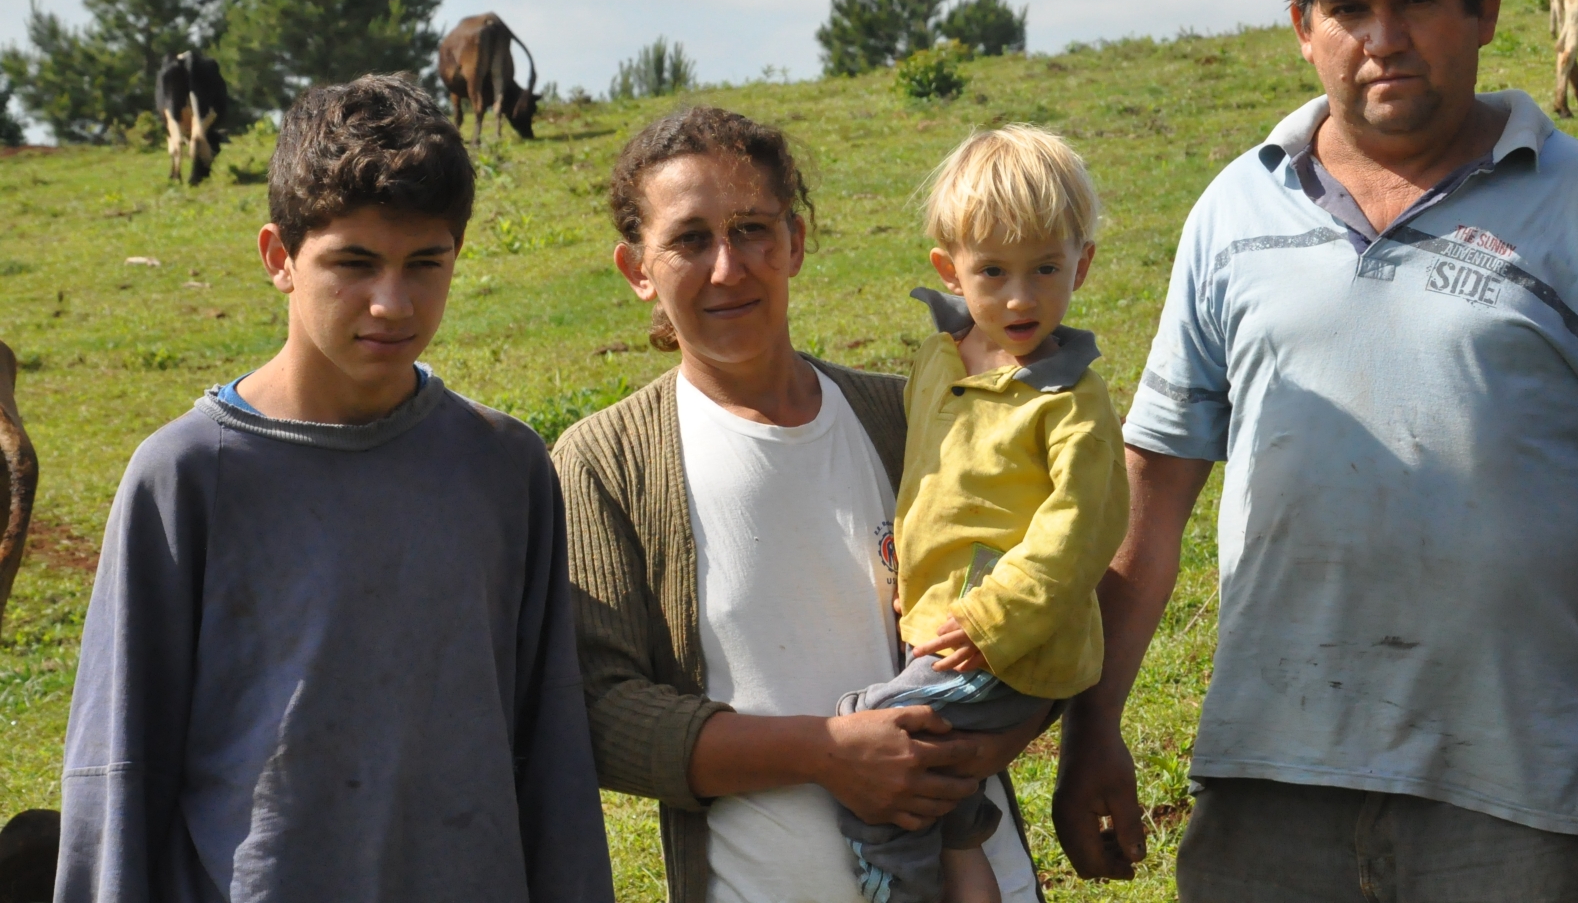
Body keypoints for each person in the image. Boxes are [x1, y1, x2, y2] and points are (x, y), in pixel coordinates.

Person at [1054, 0, 1578, 903]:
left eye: (1415, 0)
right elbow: (1155, 485)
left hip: (1518, 787)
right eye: (1346, 7)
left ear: (1482, 7)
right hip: (1270, 783)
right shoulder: (1233, 207)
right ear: (1300, 28)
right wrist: (1093, 724)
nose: (1382, 36)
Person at [56, 74, 614, 902]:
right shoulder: (184, 478)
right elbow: (118, 772)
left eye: (426, 263)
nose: (393, 303)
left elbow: (554, 755)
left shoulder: (505, 468)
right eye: (353, 263)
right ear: (279, 257)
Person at [554, 106, 1045, 903]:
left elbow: (1045, 596)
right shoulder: (604, 463)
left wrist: (978, 743)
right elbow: (601, 709)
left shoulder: (913, 417)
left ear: (797, 241)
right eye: (689, 239)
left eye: (752, 228)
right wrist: (825, 752)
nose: (727, 267)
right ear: (636, 267)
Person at [836, 127, 1129, 903]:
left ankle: (896, 888)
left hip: (1009, 646)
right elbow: (935, 479)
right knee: (944, 789)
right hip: (941, 629)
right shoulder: (940, 360)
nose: (1021, 297)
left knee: (867, 738)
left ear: (1083, 264)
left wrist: (994, 617)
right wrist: (910, 557)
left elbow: (1079, 534)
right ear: (950, 272)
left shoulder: (1071, 399)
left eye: (1046, 268)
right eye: (992, 272)